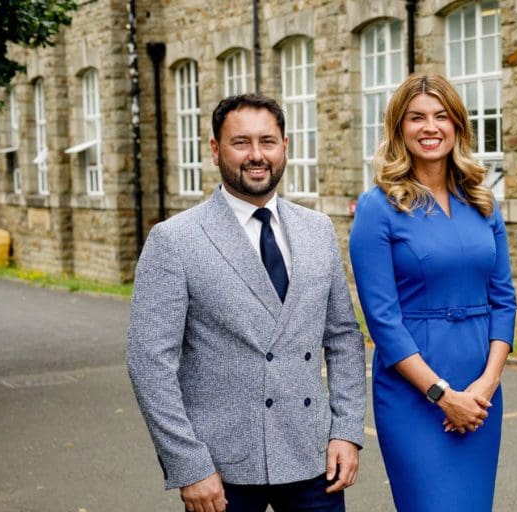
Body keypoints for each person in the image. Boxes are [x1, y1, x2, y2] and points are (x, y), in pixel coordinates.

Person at [127, 93, 366, 512]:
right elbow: (150, 364)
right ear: (216, 150)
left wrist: (346, 431)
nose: (256, 155)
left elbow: (344, 338)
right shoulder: (175, 240)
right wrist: (188, 465)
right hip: (220, 469)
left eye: (267, 141)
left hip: (312, 457)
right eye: (241, 143)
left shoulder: (318, 229)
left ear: (285, 147)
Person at [348, 74, 517, 512]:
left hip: (481, 391)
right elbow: (382, 321)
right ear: (398, 127)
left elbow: (503, 299)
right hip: (414, 395)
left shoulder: (482, 201)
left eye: (442, 116)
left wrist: (486, 385)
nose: (430, 127)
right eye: (416, 117)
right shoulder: (376, 208)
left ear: (458, 125)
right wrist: (443, 394)